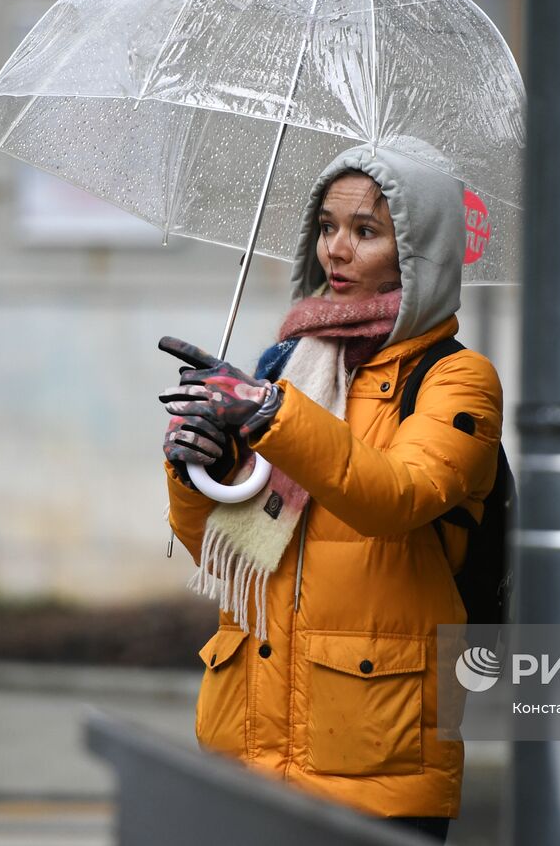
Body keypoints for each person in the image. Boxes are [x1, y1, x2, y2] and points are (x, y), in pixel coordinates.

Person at [156, 143, 503, 842]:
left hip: (375, 762)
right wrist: (195, 470)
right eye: (326, 226)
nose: (336, 251)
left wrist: (269, 416)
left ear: (421, 254)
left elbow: (396, 497)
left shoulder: (455, 380)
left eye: (366, 231)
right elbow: (224, 557)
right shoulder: (289, 366)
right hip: (247, 746)